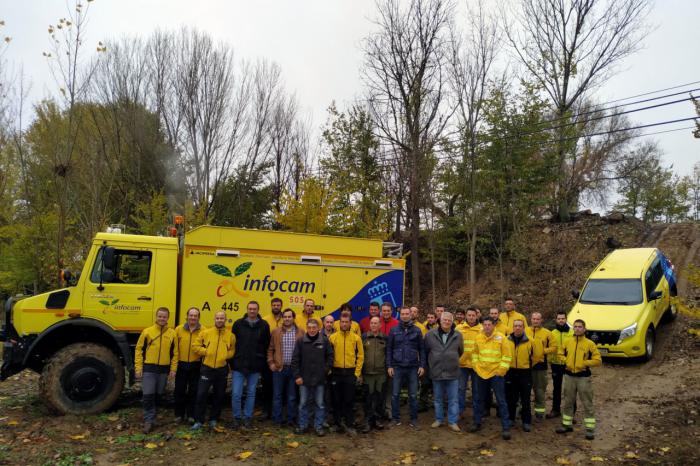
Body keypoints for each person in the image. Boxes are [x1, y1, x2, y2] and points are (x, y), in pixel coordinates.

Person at [556, 319, 601, 440]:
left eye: (580, 327)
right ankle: (566, 425)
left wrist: (584, 363)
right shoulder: (567, 342)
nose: (577, 329)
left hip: (583, 377)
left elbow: (598, 360)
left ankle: (590, 429)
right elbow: (560, 354)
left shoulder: (590, 344)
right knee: (568, 401)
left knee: (587, 403)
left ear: (584, 329)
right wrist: (566, 361)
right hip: (569, 376)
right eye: (575, 327)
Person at [135, 307, 178, 433]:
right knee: (148, 394)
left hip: (164, 369)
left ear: (167, 318)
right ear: (156, 316)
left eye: (164, 317)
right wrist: (138, 367)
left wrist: (173, 369)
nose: (162, 318)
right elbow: (139, 350)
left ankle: (153, 417)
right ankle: (149, 420)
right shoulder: (147, 332)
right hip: (149, 368)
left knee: (158, 395)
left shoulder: (172, 333)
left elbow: (175, 353)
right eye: (160, 316)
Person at [470, 317, 512, 440]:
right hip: (481, 373)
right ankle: (477, 422)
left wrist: (501, 370)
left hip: (496, 374)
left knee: (501, 400)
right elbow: (474, 354)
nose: (487, 326)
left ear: (494, 326)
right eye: (485, 324)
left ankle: (505, 427)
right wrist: (476, 367)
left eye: (489, 324)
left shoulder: (501, 338)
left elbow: (507, 356)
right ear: (482, 325)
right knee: (478, 399)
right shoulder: (478, 337)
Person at [191, 311, 235, 430]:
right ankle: (198, 420)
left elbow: (232, 350)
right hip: (207, 368)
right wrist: (205, 352)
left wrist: (226, 355)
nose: (220, 320)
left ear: (225, 320)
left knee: (219, 395)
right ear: (214, 319)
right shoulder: (205, 333)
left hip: (221, 369)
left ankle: (213, 419)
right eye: (218, 318)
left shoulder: (230, 335)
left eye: (222, 318)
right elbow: (195, 346)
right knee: (201, 394)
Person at [231, 300, 271, 429]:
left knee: (251, 393)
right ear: (247, 309)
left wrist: (261, 361)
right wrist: (233, 361)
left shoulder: (264, 325)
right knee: (236, 393)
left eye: (254, 309)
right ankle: (237, 418)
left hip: (255, 365)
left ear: (258, 310)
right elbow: (232, 344)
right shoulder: (238, 324)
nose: (252, 311)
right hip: (239, 364)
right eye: (250, 308)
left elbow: (266, 345)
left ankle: (247, 417)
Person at [292, 318, 333, 436]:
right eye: (309, 328)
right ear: (306, 328)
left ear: (318, 328)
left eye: (314, 328)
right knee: (303, 403)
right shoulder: (300, 341)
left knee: (319, 403)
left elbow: (330, 357)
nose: (311, 330)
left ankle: (318, 426)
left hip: (320, 379)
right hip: (304, 379)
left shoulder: (324, 341)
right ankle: (303, 425)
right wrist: (297, 376)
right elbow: (295, 360)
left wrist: (325, 370)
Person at [386, 306, 426, 428]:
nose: (404, 315)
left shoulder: (417, 330)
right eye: (402, 314)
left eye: (406, 313)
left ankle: (414, 420)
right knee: (395, 394)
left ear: (410, 315)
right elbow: (389, 349)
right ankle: (395, 418)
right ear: (400, 315)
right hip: (397, 367)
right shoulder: (393, 330)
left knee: (413, 395)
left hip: (413, 367)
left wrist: (422, 365)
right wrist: (389, 365)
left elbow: (422, 349)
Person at [425, 311, 464, 432]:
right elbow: (426, 351)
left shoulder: (458, 335)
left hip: (453, 372)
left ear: (452, 322)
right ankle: (439, 419)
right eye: (444, 320)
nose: (446, 322)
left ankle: (452, 422)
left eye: (449, 320)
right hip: (437, 371)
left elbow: (460, 351)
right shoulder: (430, 334)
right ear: (439, 321)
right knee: (438, 398)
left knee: (453, 399)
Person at [328, 311, 364, 436]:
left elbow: (360, 356)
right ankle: (337, 424)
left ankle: (349, 424)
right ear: (339, 323)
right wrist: (329, 370)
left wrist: (357, 373)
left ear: (350, 323)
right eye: (342, 322)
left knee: (349, 400)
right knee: (336, 400)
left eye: (346, 322)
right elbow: (328, 356)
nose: (344, 324)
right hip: (336, 372)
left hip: (350, 373)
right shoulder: (332, 338)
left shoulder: (356, 338)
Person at [268, 308, 305, 426]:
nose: (287, 319)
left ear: (293, 318)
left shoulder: (301, 332)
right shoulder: (276, 332)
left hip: (294, 370)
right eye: (285, 317)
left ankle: (291, 419)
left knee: (292, 396)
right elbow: (270, 349)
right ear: (282, 318)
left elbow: (304, 351)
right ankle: (277, 420)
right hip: (279, 368)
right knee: (277, 396)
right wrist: (271, 363)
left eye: (289, 316)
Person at [505, 319, 543, 433]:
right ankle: (511, 418)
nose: (517, 328)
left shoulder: (531, 341)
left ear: (523, 327)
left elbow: (537, 355)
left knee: (525, 398)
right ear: (512, 327)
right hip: (510, 372)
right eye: (515, 326)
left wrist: (528, 364)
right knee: (511, 398)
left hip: (525, 372)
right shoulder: (507, 340)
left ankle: (526, 421)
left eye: (520, 326)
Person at [174, 307, 205, 423]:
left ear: (198, 317)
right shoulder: (178, 329)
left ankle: (191, 414)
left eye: (195, 315)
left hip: (196, 365)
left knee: (194, 390)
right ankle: (179, 414)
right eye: (191, 315)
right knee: (179, 390)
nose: (193, 317)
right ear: (186, 316)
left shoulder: (204, 330)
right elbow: (174, 348)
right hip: (181, 364)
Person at [526, 312, 556, 419]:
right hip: (526, 365)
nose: (535, 321)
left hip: (540, 365)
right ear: (531, 319)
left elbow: (554, 347)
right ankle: (523, 409)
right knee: (524, 389)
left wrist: (542, 351)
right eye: (533, 319)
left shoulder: (547, 333)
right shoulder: (525, 330)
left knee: (539, 390)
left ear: (541, 320)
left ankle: (539, 411)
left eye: (537, 319)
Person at [361, 316, 387, 433]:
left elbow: (389, 355)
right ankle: (367, 420)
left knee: (379, 397)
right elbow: (359, 355)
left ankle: (377, 419)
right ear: (369, 325)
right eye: (372, 323)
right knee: (368, 398)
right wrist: (360, 373)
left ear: (380, 325)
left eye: (376, 323)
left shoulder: (385, 338)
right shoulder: (364, 337)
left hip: (381, 374)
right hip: (367, 373)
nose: (374, 325)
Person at [457, 307, 482, 419]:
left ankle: (477, 413)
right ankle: (460, 411)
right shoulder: (459, 328)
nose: (471, 317)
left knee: (476, 390)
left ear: (477, 316)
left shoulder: (482, 329)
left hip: (476, 365)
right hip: (462, 364)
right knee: (460, 389)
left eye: (473, 315)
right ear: (466, 316)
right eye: (469, 315)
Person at [262, 297, 284, 419]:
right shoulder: (265, 320)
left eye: (278, 305)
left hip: (282, 357)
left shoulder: (285, 320)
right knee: (267, 385)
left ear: (281, 306)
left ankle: (279, 412)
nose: (276, 307)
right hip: (269, 356)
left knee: (280, 387)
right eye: (274, 305)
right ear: (271, 306)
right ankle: (266, 411)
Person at [549, 311, 573, 418]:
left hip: (568, 364)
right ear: (556, 320)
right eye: (559, 318)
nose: (561, 320)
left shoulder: (572, 333)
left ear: (566, 319)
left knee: (570, 389)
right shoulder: (552, 333)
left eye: (563, 318)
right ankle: (555, 410)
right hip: (556, 364)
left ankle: (570, 413)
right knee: (556, 388)